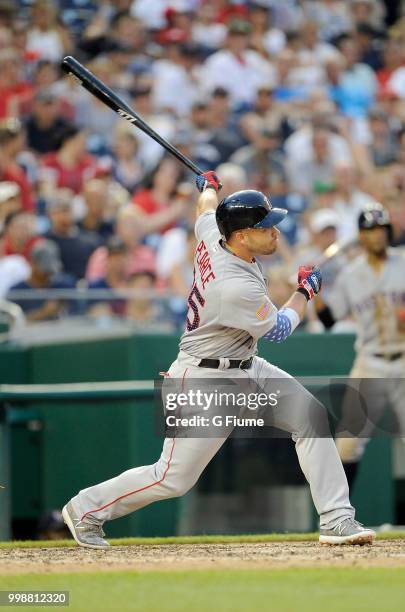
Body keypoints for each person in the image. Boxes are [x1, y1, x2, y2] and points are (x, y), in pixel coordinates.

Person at [62, 170, 375, 548]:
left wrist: (209, 186)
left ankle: (337, 519)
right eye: (266, 227)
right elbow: (278, 331)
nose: (275, 232)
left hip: (245, 365)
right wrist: (304, 292)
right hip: (204, 378)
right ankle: (85, 510)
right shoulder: (235, 287)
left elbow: (205, 209)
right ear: (242, 235)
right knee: (172, 478)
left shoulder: (215, 232)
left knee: (311, 417)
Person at [314, 202, 405, 488]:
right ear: (361, 236)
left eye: (381, 229)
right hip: (370, 360)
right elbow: (329, 319)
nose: (376, 235)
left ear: (388, 233)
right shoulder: (350, 275)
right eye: (370, 230)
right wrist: (313, 290)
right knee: (348, 444)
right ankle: (339, 516)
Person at [7, 239, 75, 322]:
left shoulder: (61, 286)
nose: (48, 274)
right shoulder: (17, 291)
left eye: (50, 271)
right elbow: (12, 323)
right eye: (45, 270)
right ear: (33, 263)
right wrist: (43, 313)